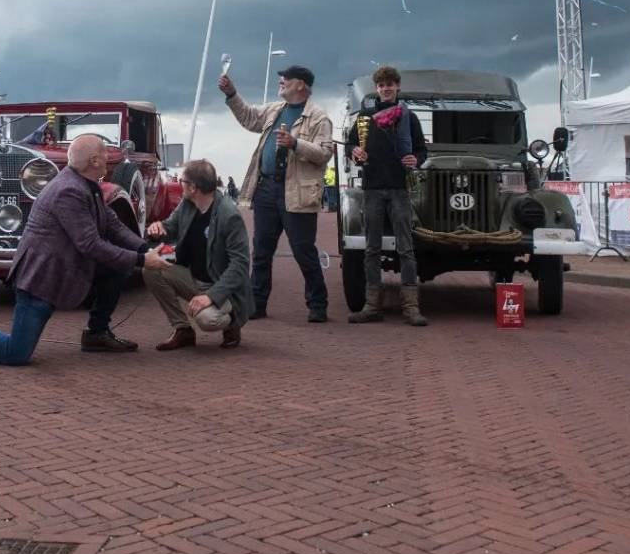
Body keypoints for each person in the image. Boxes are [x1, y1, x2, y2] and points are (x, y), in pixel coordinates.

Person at [0, 134, 171, 363]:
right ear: (93, 160)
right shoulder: (68, 190)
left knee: (115, 268)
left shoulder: (85, 184)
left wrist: (147, 248)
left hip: (63, 269)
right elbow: (90, 244)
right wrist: (142, 260)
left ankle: (97, 334)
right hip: (42, 278)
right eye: (104, 152)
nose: (108, 156)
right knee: (16, 353)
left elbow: (113, 226)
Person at [219, 64, 333, 322]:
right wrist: (232, 94)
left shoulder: (318, 117)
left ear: (300, 84)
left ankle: (318, 304)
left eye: (286, 79)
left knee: (303, 250)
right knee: (261, 249)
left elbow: (325, 153)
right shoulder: (275, 109)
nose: (281, 82)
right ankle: (256, 304)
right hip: (267, 189)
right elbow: (249, 117)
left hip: (297, 192)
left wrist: (295, 143)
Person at [345, 64, 428, 326]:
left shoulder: (408, 117)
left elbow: (421, 150)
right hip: (371, 188)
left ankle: (411, 307)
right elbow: (350, 143)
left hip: (399, 189)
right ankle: (372, 306)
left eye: (390, 84)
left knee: (406, 248)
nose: (386, 88)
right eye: (381, 85)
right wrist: (354, 152)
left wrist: (417, 159)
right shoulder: (364, 117)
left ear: (397, 86)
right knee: (371, 249)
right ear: (377, 88)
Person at [144, 159, 253, 350]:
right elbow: (170, 227)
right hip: (193, 276)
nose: (180, 184)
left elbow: (240, 265)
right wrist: (158, 228)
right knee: (150, 266)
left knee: (206, 319)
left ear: (193, 187)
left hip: (220, 285)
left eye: (182, 181)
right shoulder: (187, 203)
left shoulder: (229, 215)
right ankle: (182, 330)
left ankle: (232, 322)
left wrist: (211, 296)